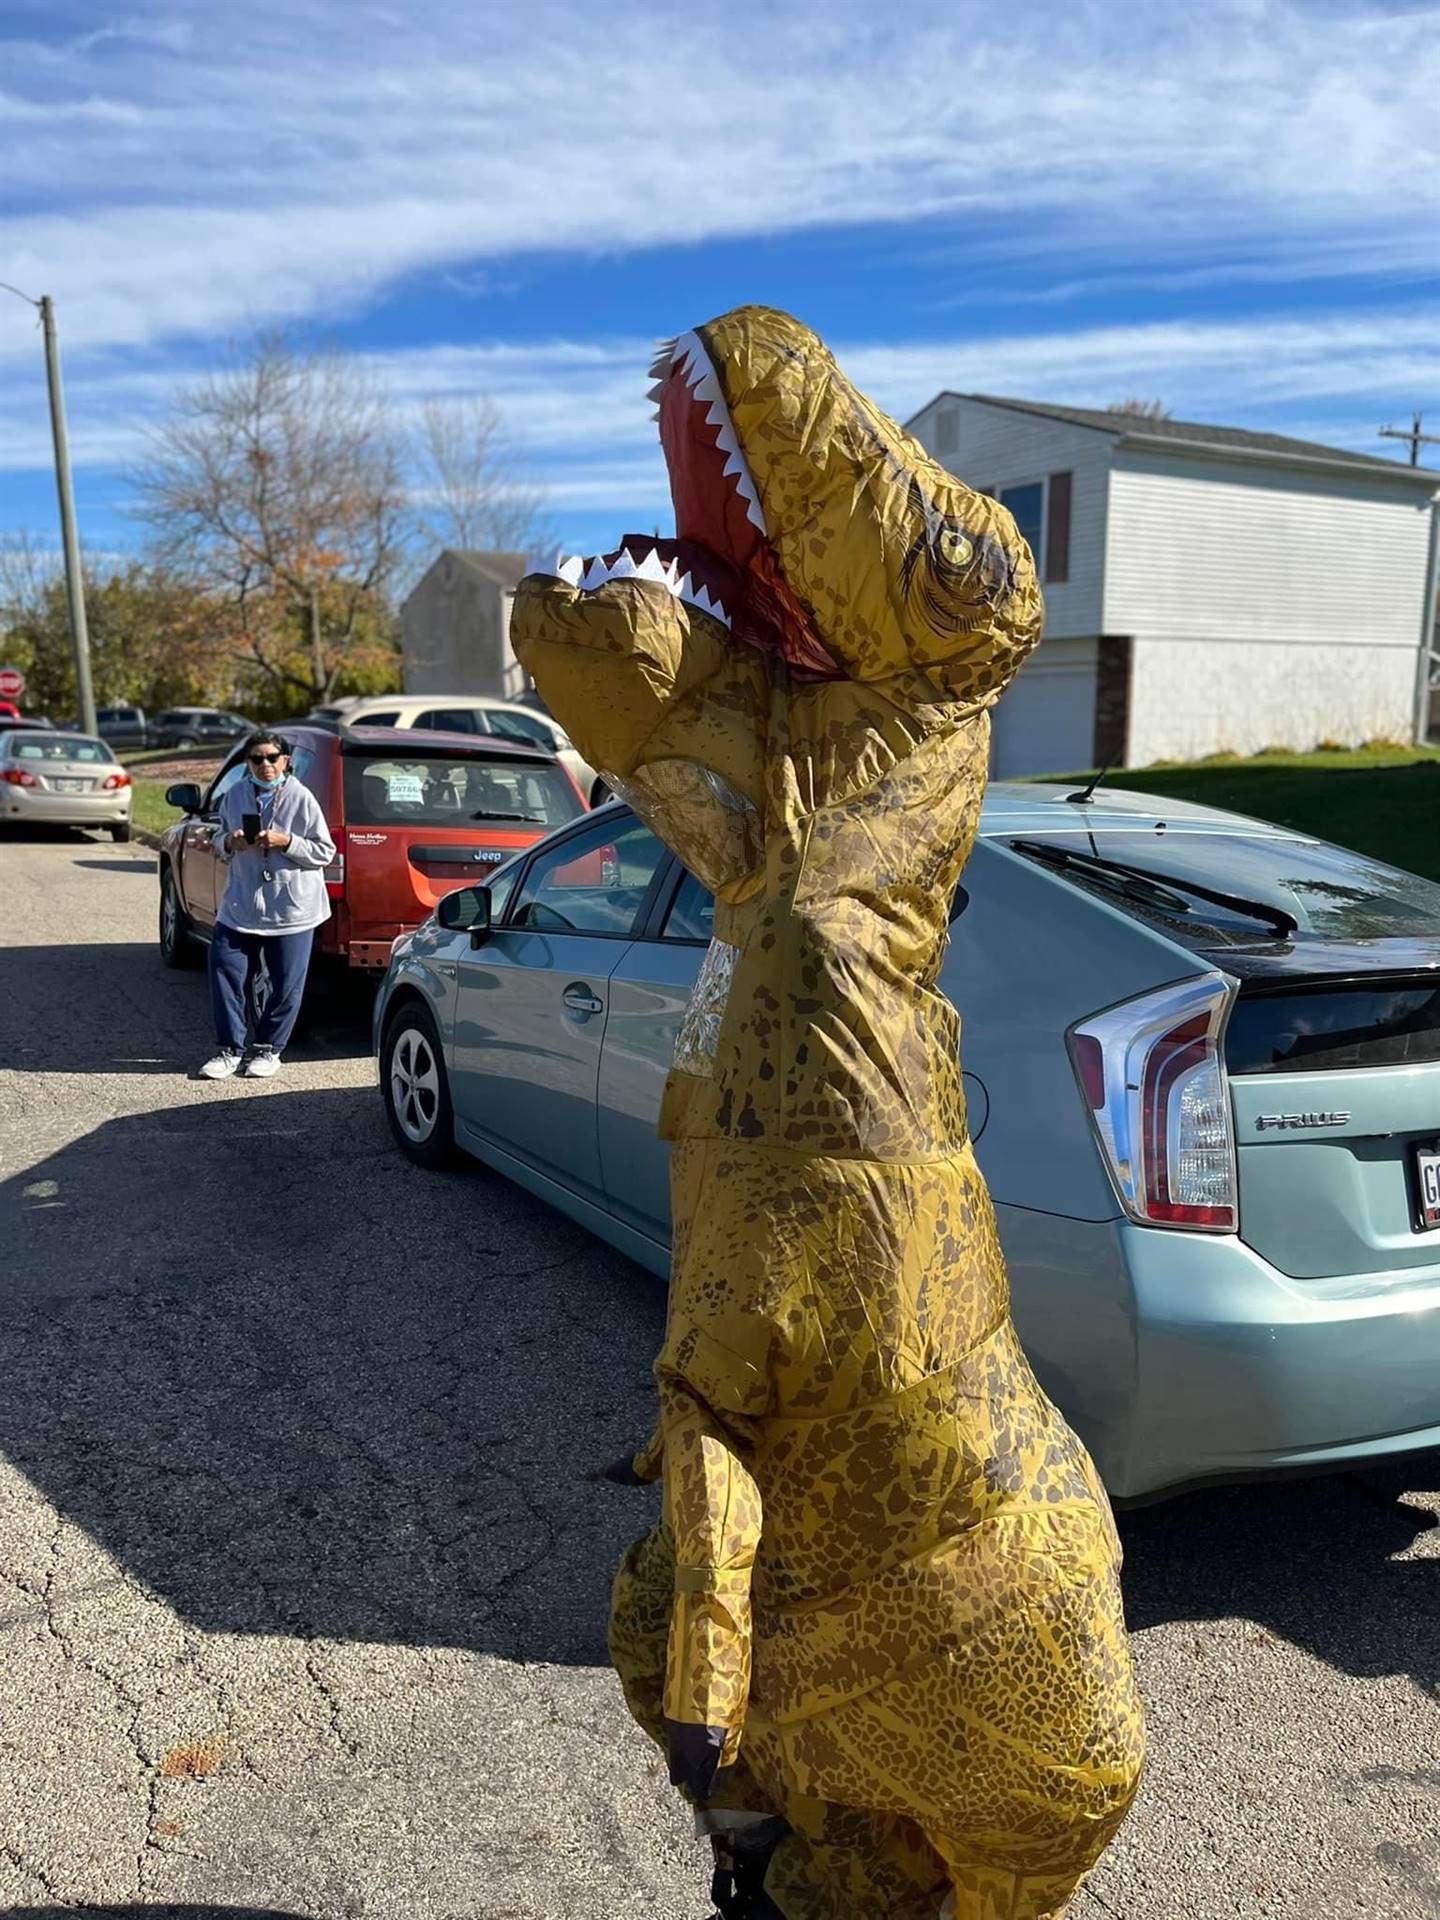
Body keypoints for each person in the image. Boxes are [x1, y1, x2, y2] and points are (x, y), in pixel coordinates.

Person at [512, 307, 1145, 1920]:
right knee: (672, 1620)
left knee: (718, 1621)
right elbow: (703, 749)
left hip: (949, 1562)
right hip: (822, 1595)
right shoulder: (772, 829)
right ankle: (771, 1847)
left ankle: (807, 1843)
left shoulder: (919, 727)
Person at [199, 729, 336, 1081]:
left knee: (285, 983)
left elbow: (324, 852)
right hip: (242, 904)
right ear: (248, 764)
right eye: (257, 759)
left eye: (272, 758)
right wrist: (228, 841)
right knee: (225, 970)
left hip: (291, 909)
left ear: (285, 761)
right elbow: (218, 839)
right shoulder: (235, 796)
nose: (265, 766)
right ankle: (230, 1050)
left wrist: (286, 841)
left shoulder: (302, 799)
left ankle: (268, 1049)